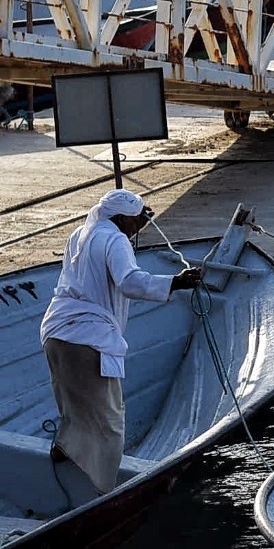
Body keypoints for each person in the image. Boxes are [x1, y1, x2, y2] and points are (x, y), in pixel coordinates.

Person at [39, 190, 203, 498]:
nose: (140, 225)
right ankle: (104, 490)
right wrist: (176, 282)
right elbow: (129, 281)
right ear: (121, 218)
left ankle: (66, 448)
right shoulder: (115, 240)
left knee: (75, 405)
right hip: (89, 338)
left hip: (55, 332)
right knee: (111, 421)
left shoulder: (80, 234)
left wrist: (141, 213)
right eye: (137, 219)